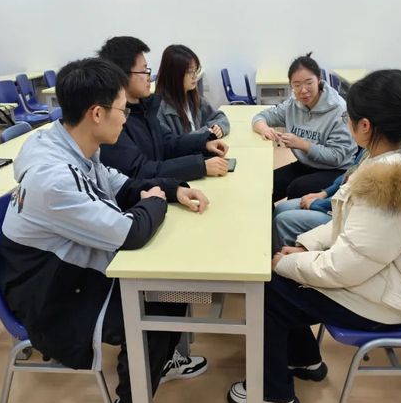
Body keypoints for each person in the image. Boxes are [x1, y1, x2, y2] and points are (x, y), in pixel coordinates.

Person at [228, 69, 401, 403]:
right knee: (281, 281)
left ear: (365, 126)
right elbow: (348, 228)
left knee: (269, 290)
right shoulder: (391, 159)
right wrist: (305, 248)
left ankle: (274, 394)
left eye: (348, 119)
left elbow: (344, 267)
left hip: (390, 302)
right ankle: (304, 360)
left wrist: (286, 264)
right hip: (385, 279)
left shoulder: (391, 186)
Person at [0, 58, 210, 403]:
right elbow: (129, 232)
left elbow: (120, 184)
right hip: (51, 294)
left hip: (71, 270)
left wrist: (172, 189)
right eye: (122, 110)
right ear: (97, 113)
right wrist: (156, 201)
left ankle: (157, 363)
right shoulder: (54, 180)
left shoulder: (76, 144)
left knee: (182, 292)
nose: (126, 119)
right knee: (161, 300)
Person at [98, 36, 229, 180]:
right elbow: (140, 170)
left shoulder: (144, 108)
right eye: (144, 71)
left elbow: (168, 143)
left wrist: (204, 144)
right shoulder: (113, 121)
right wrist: (200, 166)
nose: (149, 77)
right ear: (122, 76)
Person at [251, 53, 357, 203]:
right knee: (266, 184)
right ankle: (269, 217)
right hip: (307, 164)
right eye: (297, 85)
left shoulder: (339, 110)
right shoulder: (293, 103)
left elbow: (337, 156)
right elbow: (260, 117)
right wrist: (264, 129)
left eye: (309, 83)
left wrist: (302, 144)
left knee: (297, 188)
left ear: (319, 79)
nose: (303, 90)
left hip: (336, 170)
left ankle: (289, 216)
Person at [272, 149, 366, 254]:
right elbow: (347, 176)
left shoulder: (377, 165)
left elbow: (348, 202)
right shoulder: (368, 150)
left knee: (283, 220)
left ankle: (281, 260)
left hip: (344, 214)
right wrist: (323, 193)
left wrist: (316, 204)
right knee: (282, 207)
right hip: (335, 203)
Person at [155, 44, 230, 138]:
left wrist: (218, 127)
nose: (195, 76)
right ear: (174, 74)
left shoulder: (192, 98)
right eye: (189, 72)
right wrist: (205, 133)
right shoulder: (160, 110)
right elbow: (174, 143)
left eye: (196, 70)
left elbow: (219, 117)